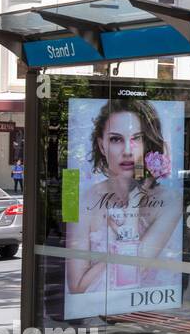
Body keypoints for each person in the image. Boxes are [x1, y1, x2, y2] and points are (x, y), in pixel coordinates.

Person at [64, 99, 182, 296]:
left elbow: (134, 270)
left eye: (137, 138)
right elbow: (76, 287)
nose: (128, 150)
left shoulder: (170, 201)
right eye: (116, 139)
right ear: (102, 146)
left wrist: (135, 201)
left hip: (148, 317)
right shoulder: (82, 199)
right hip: (95, 315)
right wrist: (117, 250)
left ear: (147, 143)